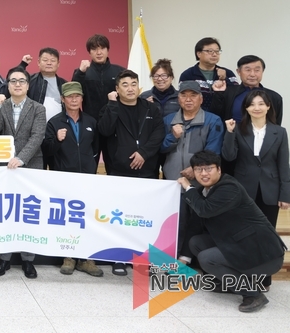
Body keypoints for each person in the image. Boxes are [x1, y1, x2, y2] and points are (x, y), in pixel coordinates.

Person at [180, 151, 287, 313]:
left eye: (208, 168)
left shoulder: (229, 188)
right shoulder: (205, 191)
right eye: (198, 169)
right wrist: (184, 258)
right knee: (196, 242)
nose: (203, 173)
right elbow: (196, 223)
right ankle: (229, 283)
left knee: (207, 259)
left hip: (262, 253)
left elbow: (204, 210)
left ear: (219, 169)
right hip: (239, 243)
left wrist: (188, 187)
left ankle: (253, 294)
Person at [97, 70, 165, 276]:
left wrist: (144, 153)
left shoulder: (151, 108)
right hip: (119, 172)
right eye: (125, 85)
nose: (130, 88)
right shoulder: (110, 107)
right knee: (120, 217)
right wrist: (112, 105)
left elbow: (159, 133)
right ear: (117, 89)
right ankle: (119, 257)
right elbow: (105, 130)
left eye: (133, 84)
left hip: (147, 171)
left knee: (143, 218)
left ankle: (142, 259)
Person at [0, 67, 46, 279]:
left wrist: (21, 158)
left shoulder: (38, 108)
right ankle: (4, 258)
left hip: (30, 166)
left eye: (22, 81)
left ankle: (28, 260)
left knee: (28, 213)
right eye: (13, 81)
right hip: (5, 168)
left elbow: (37, 136)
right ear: (8, 85)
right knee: (6, 212)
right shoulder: (1, 105)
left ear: (28, 85)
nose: (17, 84)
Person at [43, 81, 103, 277]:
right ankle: (68, 257)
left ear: (82, 98)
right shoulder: (54, 123)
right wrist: (56, 140)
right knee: (67, 218)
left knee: (87, 218)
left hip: (87, 178)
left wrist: (91, 169)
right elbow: (47, 151)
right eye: (70, 96)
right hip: (64, 178)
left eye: (77, 96)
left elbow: (96, 150)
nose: (74, 99)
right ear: (63, 99)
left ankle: (86, 259)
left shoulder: (91, 122)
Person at [160, 81, 224, 262]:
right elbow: (160, 148)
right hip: (173, 182)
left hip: (200, 182)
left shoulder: (212, 120)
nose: (188, 99)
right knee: (175, 221)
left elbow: (213, 151)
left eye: (193, 95)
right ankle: (172, 256)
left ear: (201, 98)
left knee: (196, 221)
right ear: (178, 98)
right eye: (184, 95)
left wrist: (195, 169)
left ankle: (188, 257)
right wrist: (172, 137)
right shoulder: (168, 120)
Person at [222, 90, 290, 230]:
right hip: (244, 188)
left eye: (261, 104)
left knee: (268, 231)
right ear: (246, 108)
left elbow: (283, 165)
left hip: (271, 190)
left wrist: (285, 195)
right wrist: (229, 132)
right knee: (244, 230)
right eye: (252, 104)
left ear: (268, 106)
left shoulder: (280, 132)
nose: (256, 108)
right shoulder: (238, 129)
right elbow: (229, 156)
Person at [71, 34, 125, 173]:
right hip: (90, 124)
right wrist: (80, 73)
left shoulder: (119, 71)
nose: (99, 52)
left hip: (114, 125)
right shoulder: (83, 71)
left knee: (114, 165)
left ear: (108, 50)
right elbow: (74, 93)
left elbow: (128, 94)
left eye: (102, 48)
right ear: (89, 52)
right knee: (89, 165)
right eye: (94, 49)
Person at [212, 55, 283, 125]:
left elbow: (276, 126)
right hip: (233, 132)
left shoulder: (274, 97)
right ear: (238, 72)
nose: (252, 74)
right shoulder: (228, 92)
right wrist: (218, 94)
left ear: (262, 71)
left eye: (257, 70)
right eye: (248, 70)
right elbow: (216, 117)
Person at [178, 37, 238, 112]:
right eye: (210, 51)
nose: (215, 54)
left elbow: (236, 96)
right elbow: (183, 99)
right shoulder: (188, 75)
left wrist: (225, 79)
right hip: (197, 116)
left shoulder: (228, 73)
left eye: (217, 51)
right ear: (199, 54)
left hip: (224, 116)